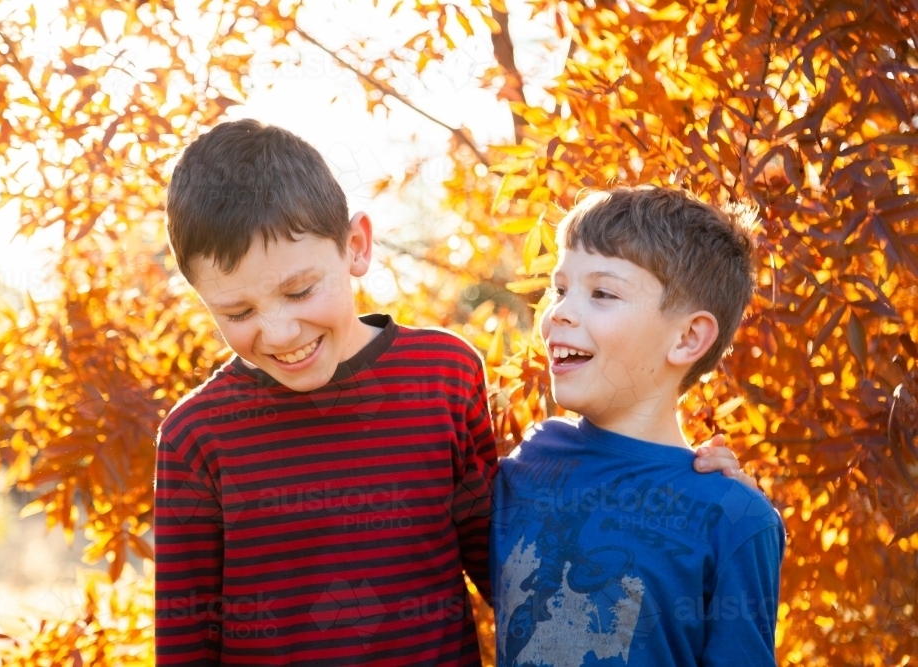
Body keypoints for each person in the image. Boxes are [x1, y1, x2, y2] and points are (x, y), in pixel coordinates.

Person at [154, 119, 753, 665]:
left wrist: (694, 489)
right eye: (237, 310)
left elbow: (511, 565)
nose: (280, 331)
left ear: (356, 246)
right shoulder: (196, 438)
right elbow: (186, 643)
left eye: (301, 290)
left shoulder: (444, 376)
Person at [490, 187, 785, 667]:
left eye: (602, 293)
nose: (558, 312)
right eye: (560, 289)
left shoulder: (734, 518)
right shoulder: (523, 467)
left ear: (688, 337)